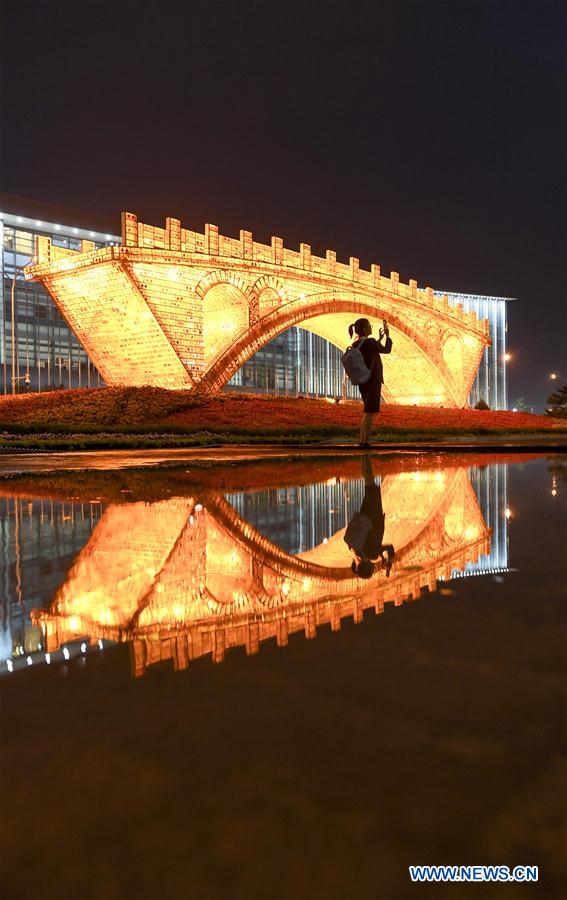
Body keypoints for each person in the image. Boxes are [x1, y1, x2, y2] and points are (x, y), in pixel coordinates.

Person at [344, 456, 395, 579]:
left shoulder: (372, 555)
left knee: (370, 484)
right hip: (365, 516)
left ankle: (365, 455)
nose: (374, 569)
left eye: (371, 570)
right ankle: (363, 455)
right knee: (369, 486)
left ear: (367, 568)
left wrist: (388, 560)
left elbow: (390, 548)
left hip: (374, 516)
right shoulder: (357, 553)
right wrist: (383, 557)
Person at [348, 317, 392, 448]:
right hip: (373, 381)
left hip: (363, 381)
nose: (371, 327)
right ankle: (365, 442)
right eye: (369, 325)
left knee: (367, 412)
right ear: (364, 329)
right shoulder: (371, 343)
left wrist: (378, 339)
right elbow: (386, 350)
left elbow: (370, 352)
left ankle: (363, 440)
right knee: (369, 413)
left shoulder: (357, 344)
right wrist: (387, 336)